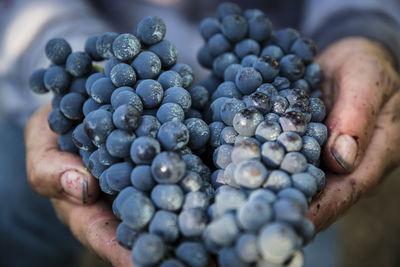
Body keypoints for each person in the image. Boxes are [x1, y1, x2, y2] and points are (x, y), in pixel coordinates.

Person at [1, 0, 400, 266]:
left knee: (297, 230)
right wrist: (78, 70)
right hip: (99, 50)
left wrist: (360, 29)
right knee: (16, 210)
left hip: (279, 63)